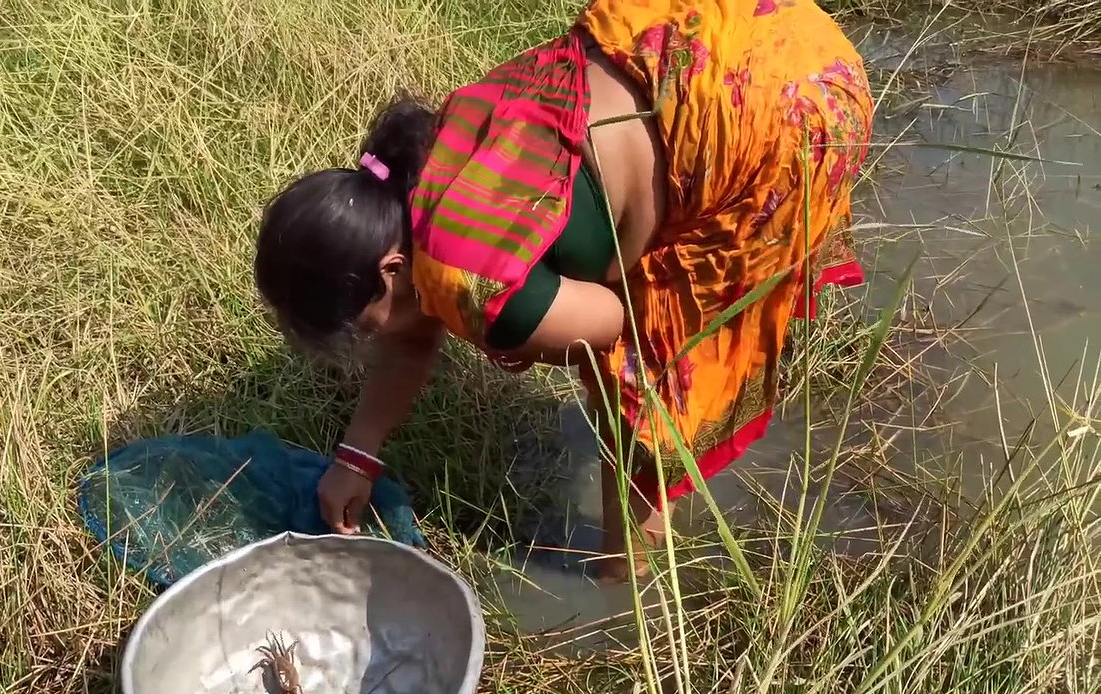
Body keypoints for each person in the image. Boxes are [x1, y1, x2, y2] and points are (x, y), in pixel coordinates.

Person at [253, 0, 875, 583]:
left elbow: (624, 324)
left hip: (791, 109)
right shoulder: (418, 164)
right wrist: (357, 459)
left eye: (365, 327)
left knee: (637, 390)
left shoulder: (476, 289)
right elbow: (412, 331)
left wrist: (537, 334)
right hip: (724, 28)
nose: (376, 341)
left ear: (391, 269)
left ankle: (627, 583)